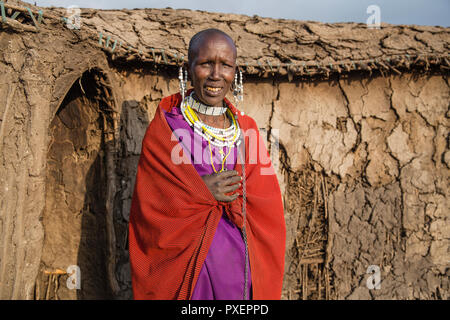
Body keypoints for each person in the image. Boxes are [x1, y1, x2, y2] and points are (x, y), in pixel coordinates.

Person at [128, 28, 286, 300]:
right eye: (205, 63)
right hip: (188, 272)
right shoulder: (168, 125)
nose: (216, 74)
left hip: (241, 275)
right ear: (188, 68)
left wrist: (237, 199)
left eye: (225, 65)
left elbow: (267, 205)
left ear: (234, 71)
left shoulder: (245, 129)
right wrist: (199, 191)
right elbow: (150, 204)